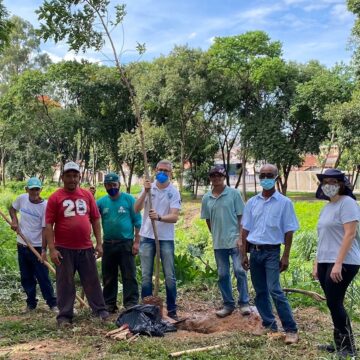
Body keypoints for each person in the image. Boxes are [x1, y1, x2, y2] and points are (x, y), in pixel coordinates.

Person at [241, 164, 299, 345]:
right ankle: (269, 324)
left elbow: (289, 231)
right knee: (260, 291)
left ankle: (291, 329)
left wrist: (286, 255)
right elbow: (245, 230)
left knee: (275, 290)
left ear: (275, 177)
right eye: (262, 175)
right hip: (255, 252)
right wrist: (243, 253)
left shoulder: (284, 203)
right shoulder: (252, 202)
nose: (265, 178)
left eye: (269, 175)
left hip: (272, 252)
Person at [45, 161, 109, 326]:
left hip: (86, 247)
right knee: (65, 283)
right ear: (63, 177)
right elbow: (48, 225)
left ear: (79, 177)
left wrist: (99, 243)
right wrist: (52, 249)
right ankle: (65, 316)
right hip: (64, 249)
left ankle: (100, 311)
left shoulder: (87, 196)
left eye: (75, 176)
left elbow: (95, 219)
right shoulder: (55, 197)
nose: (72, 179)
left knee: (92, 280)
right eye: (69, 176)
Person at [313, 168, 360, 358]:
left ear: (341, 184)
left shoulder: (347, 203)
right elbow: (322, 237)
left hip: (344, 261)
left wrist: (338, 263)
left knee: (334, 302)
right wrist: (317, 263)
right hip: (326, 260)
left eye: (333, 182)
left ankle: (348, 347)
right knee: (333, 303)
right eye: (325, 182)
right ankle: (340, 342)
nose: (328, 186)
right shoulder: (327, 206)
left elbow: (350, 234)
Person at [134, 160, 181, 320]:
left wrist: (159, 217)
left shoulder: (173, 192)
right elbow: (136, 208)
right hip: (147, 236)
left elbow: (175, 216)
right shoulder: (148, 188)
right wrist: (144, 192)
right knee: (146, 275)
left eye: (166, 171)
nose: (162, 173)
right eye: (160, 170)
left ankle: (172, 309)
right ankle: (146, 309)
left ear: (170, 173)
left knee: (169, 275)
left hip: (166, 238)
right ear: (155, 170)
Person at [201, 166, 250, 318]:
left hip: (235, 241)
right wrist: (215, 234)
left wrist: (241, 238)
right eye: (213, 175)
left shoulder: (234, 194)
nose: (216, 178)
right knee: (222, 274)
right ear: (210, 178)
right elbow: (208, 220)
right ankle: (228, 304)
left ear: (224, 177)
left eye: (219, 175)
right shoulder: (206, 198)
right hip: (219, 243)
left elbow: (241, 217)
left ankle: (244, 303)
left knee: (240, 271)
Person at [9, 177, 57, 313]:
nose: (34, 192)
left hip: (36, 246)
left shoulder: (45, 206)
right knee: (26, 276)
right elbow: (12, 208)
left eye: (37, 189)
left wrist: (43, 250)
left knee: (43, 277)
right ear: (27, 190)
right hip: (22, 244)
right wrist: (14, 221)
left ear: (41, 189)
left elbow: (45, 230)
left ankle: (52, 303)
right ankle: (31, 304)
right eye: (32, 190)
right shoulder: (21, 199)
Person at [97, 172, 142, 313]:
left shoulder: (129, 200)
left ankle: (131, 303)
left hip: (126, 243)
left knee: (129, 274)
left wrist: (137, 242)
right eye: (109, 185)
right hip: (108, 244)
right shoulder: (101, 202)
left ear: (119, 185)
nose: (112, 187)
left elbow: (138, 222)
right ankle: (109, 304)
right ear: (105, 186)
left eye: (114, 185)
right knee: (108, 275)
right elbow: (92, 218)